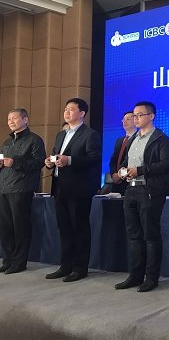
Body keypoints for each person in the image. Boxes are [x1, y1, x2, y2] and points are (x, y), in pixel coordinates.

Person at [114, 101, 169, 292]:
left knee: (150, 235)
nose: (136, 118)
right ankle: (135, 275)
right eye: (134, 115)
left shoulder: (161, 139)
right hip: (130, 189)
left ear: (151, 116)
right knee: (133, 235)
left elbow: (165, 164)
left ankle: (151, 277)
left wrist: (139, 170)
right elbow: (126, 161)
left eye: (140, 115)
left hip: (150, 190)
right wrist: (123, 170)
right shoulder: (133, 139)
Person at [44, 98, 101, 282]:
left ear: (82, 113)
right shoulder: (61, 134)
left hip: (79, 189)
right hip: (59, 187)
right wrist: (50, 162)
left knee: (79, 229)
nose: (66, 112)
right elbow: (56, 154)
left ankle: (80, 268)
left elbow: (94, 158)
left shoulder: (90, 134)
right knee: (64, 228)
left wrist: (70, 160)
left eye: (71, 109)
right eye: (65, 109)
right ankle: (65, 266)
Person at [0, 109, 45, 274]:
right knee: (5, 227)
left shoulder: (34, 140)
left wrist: (15, 162)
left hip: (22, 188)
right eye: (8, 119)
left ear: (25, 120)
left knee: (20, 226)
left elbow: (38, 162)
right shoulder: (7, 142)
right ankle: (8, 260)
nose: (11, 122)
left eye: (14, 118)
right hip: (4, 187)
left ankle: (19, 262)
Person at [108, 111, 136, 195]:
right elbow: (113, 159)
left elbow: (130, 160)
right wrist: (113, 174)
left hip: (129, 180)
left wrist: (120, 175)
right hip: (116, 182)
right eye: (123, 119)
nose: (124, 121)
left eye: (128, 119)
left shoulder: (138, 139)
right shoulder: (119, 140)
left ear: (135, 120)